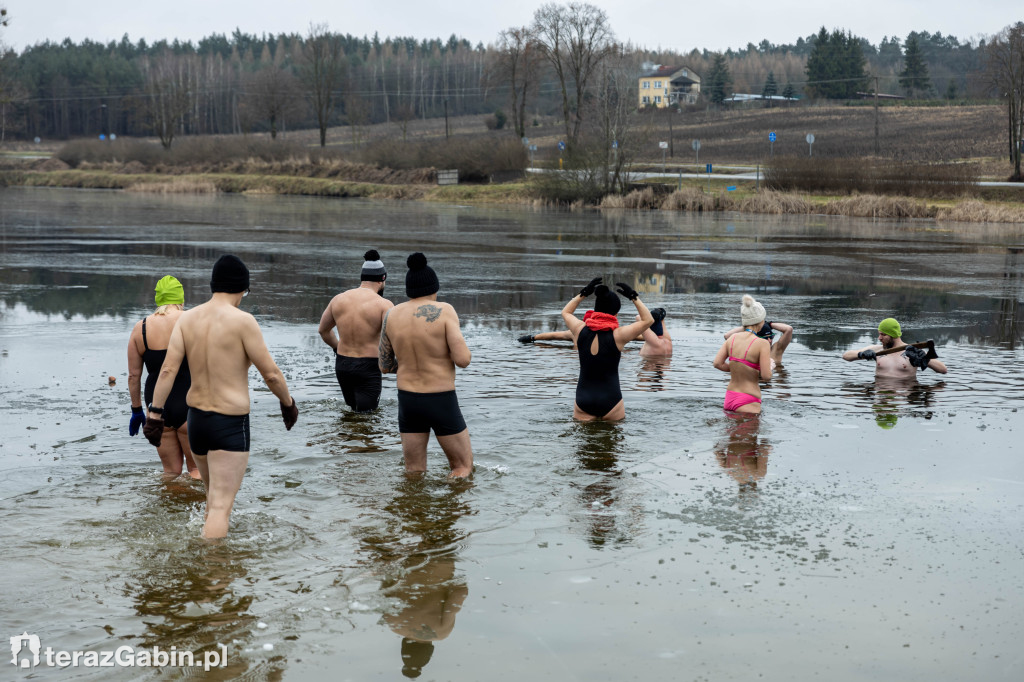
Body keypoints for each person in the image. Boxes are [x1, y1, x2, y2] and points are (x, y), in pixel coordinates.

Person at [143, 255, 299, 539]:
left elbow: (167, 370)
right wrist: (287, 403)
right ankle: (213, 576)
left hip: (197, 422)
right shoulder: (243, 321)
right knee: (220, 507)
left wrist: (154, 414)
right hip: (229, 424)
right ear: (241, 288)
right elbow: (272, 374)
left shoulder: (187, 319)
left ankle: (203, 557)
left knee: (211, 499)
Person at [378, 253, 473, 478]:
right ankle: (452, 512)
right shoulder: (445, 310)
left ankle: (413, 511)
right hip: (441, 399)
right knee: (462, 468)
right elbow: (463, 360)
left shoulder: (391, 315)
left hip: (408, 401)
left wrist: (411, 363)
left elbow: (384, 364)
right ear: (434, 288)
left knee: (414, 471)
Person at [126, 276, 200, 479]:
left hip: (157, 410)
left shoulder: (140, 328)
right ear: (181, 300)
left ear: (158, 299)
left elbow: (134, 376)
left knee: (170, 473)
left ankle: (168, 509)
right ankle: (201, 510)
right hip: (190, 404)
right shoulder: (192, 322)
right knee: (197, 471)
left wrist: (137, 410)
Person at [561, 278, 654, 421]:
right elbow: (648, 320)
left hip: (583, 400)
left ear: (595, 310)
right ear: (615, 314)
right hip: (611, 400)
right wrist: (634, 297)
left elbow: (566, 312)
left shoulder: (580, 329)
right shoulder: (619, 335)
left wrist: (583, 293)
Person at [318, 249, 394, 412]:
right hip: (369, 366)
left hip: (343, 365)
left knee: (352, 413)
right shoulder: (383, 304)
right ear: (382, 279)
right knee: (367, 417)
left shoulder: (339, 299)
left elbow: (323, 331)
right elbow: (395, 338)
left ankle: (347, 437)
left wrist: (337, 348)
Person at [713, 295, 773, 414]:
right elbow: (766, 376)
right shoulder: (763, 343)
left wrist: (738, 367)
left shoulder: (732, 338)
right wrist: (770, 366)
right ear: (760, 321)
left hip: (729, 397)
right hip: (748, 399)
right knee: (750, 431)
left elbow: (717, 363)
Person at [842, 317, 947, 378]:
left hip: (905, 393)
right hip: (880, 391)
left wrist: (925, 359)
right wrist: (861, 355)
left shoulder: (914, 352)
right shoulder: (877, 350)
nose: (879, 338)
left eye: (883, 335)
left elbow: (943, 370)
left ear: (893, 335)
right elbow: (846, 356)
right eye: (879, 334)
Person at [724, 314, 793, 368]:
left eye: (771, 337)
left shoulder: (776, 350)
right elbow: (727, 336)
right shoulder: (748, 349)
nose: (769, 340)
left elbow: (789, 329)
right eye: (766, 338)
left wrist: (770, 324)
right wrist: (749, 327)